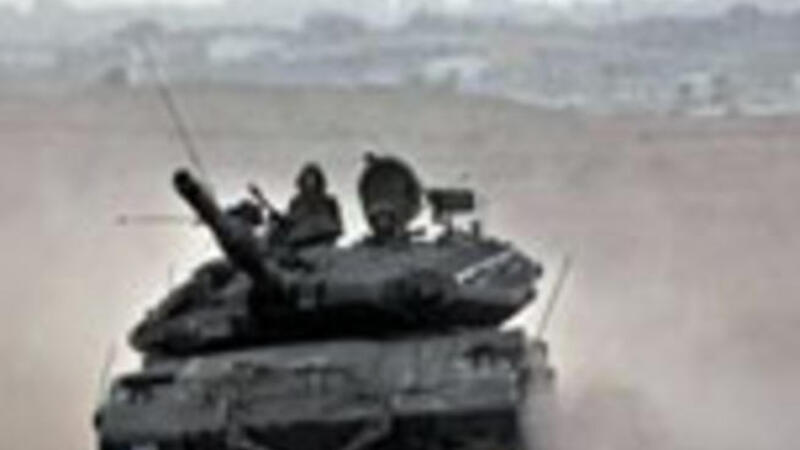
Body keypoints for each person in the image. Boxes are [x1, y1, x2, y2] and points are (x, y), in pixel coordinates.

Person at [279, 163, 343, 248]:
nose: (310, 182)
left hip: (325, 240)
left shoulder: (329, 201)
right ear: (303, 181)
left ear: (318, 181)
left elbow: (337, 222)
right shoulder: (296, 202)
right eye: (308, 179)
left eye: (313, 179)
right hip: (302, 242)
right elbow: (290, 222)